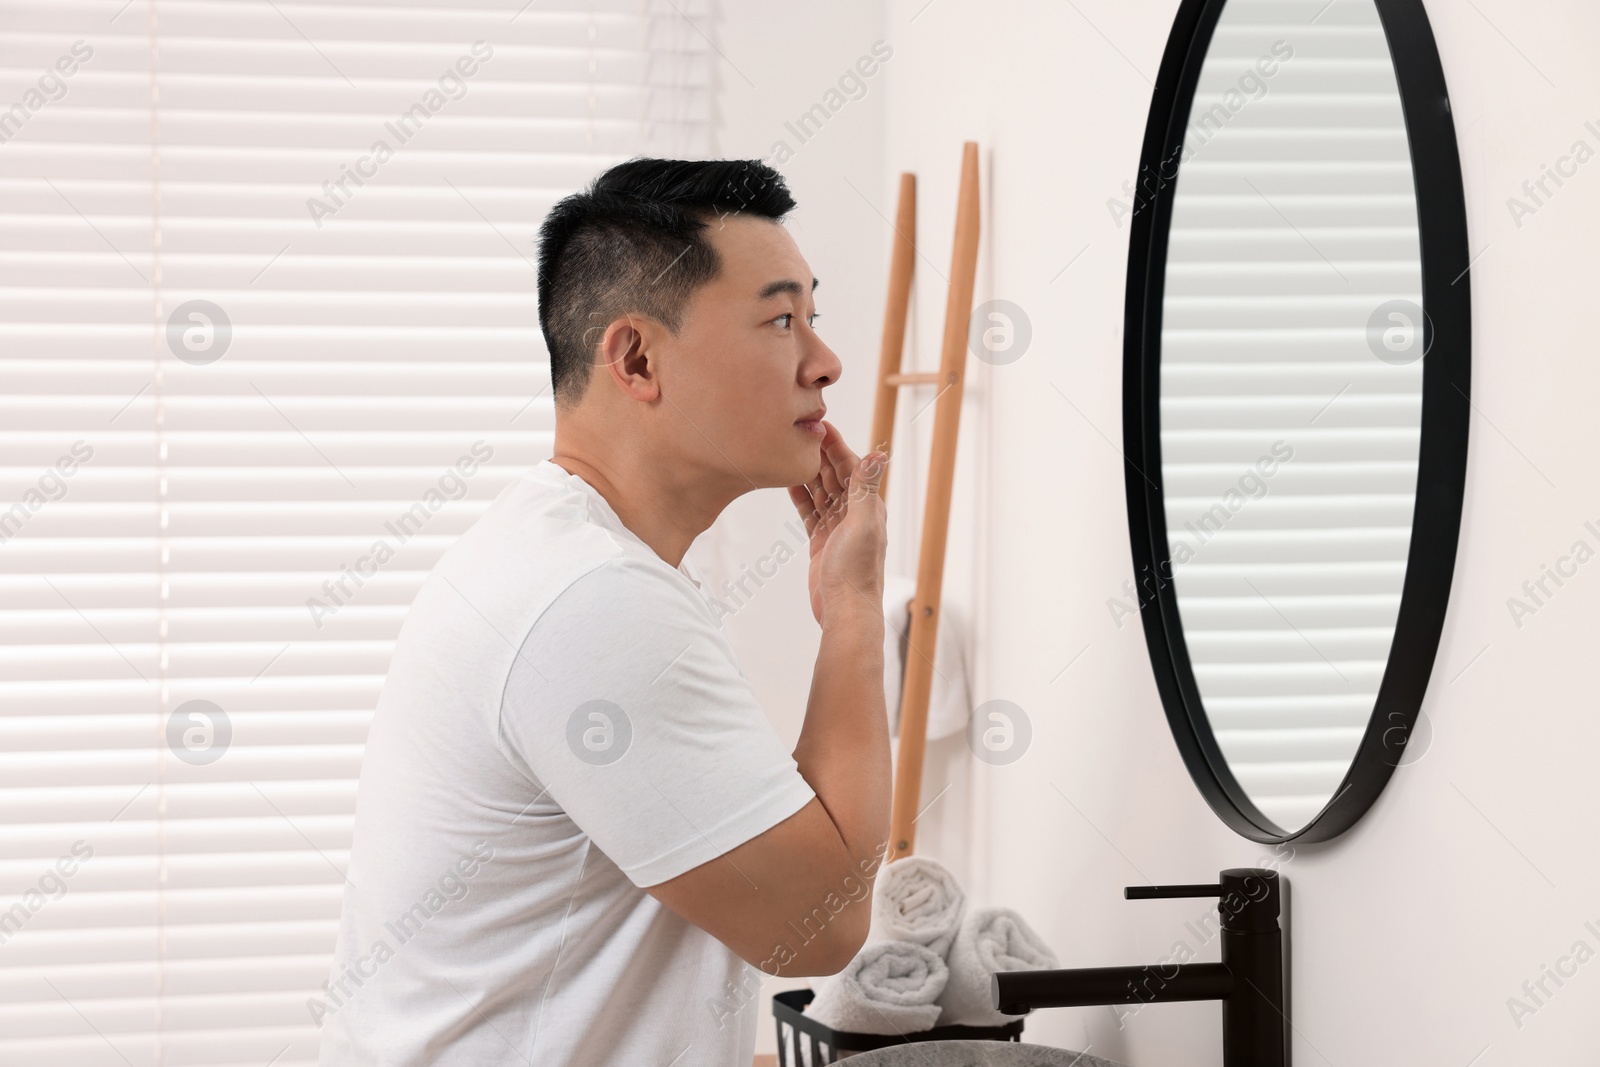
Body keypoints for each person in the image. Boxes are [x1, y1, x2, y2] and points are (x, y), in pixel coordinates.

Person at [317, 157, 892, 1065]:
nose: (825, 362)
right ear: (636, 358)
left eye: (813, 319)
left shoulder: (561, 556)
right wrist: (854, 609)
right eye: (782, 320)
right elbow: (818, 928)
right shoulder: (593, 605)